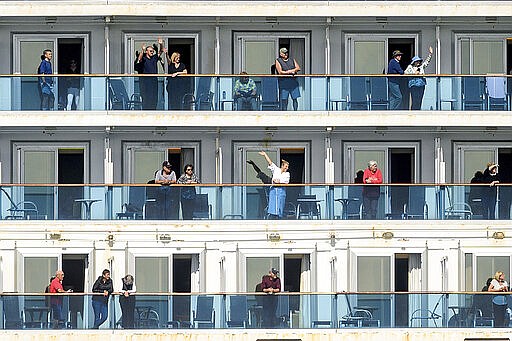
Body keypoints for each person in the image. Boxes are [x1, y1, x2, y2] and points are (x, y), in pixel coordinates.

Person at [259, 151, 290, 219]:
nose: (287, 168)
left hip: (281, 190)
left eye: (287, 167)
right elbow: (270, 162)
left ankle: (279, 218)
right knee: (273, 205)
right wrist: (265, 155)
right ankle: (272, 217)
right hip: (273, 190)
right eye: (286, 166)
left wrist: (278, 181)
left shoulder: (287, 174)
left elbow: (286, 181)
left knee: (280, 205)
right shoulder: (276, 169)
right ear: (282, 166)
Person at [135, 39, 164, 110]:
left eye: (153, 51)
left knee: (154, 98)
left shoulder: (154, 58)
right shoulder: (144, 58)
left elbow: (160, 51)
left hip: (154, 81)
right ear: (146, 52)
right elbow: (139, 59)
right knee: (146, 98)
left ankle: (153, 111)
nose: (152, 52)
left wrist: (160, 44)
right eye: (150, 51)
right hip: (145, 81)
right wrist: (142, 50)